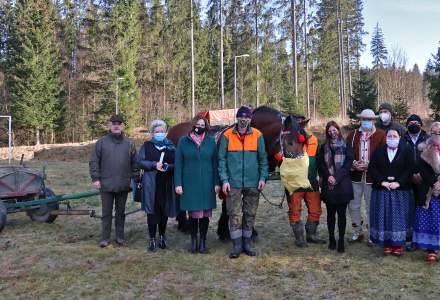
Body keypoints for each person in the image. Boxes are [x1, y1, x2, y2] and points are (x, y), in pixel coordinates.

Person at [218, 105, 268, 259]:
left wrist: (262, 177)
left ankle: (247, 243)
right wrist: (224, 180)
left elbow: (263, 160)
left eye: (246, 117)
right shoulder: (227, 135)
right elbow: (221, 160)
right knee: (234, 214)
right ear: (237, 118)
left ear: (250, 119)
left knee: (250, 213)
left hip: (253, 182)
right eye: (241, 117)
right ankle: (236, 245)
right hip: (233, 183)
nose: (243, 120)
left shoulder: (258, 135)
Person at [89, 114, 137, 248]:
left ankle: (120, 237)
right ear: (110, 125)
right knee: (106, 213)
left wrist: (134, 178)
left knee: (120, 213)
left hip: (123, 184)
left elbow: (135, 163)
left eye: (119, 123)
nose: (116, 125)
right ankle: (105, 238)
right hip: (106, 184)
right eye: (113, 123)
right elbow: (94, 161)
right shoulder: (101, 143)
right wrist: (95, 178)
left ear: (122, 126)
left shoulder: (129, 143)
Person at [174, 116, 220, 254]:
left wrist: (217, 183)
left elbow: (215, 164)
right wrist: (178, 184)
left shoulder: (211, 141)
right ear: (193, 125)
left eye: (202, 124)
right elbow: (178, 164)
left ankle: (203, 242)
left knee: (205, 214)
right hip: (190, 183)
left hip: (207, 183)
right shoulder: (183, 141)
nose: (199, 127)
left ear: (206, 126)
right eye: (197, 124)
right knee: (193, 214)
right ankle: (194, 241)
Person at [369, 128, 414, 256]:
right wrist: (382, 182)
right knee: (385, 217)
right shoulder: (379, 151)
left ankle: (398, 245)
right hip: (382, 190)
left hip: (400, 191)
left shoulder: (407, 150)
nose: (392, 138)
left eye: (395, 136)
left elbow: (409, 169)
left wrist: (398, 182)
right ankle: (387, 244)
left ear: (399, 137)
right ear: (386, 137)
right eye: (390, 136)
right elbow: (373, 168)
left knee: (399, 218)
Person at [346, 109, 386, 243]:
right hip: (355, 176)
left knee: (371, 205)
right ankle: (357, 231)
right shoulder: (352, 135)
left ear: (374, 120)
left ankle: (371, 234)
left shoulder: (381, 135)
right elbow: (347, 152)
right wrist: (353, 164)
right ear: (360, 120)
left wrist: (370, 164)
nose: (366, 122)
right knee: (353, 205)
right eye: (364, 119)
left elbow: (384, 156)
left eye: (369, 119)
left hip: (371, 177)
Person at [137, 119, 177, 252]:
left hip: (166, 184)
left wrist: (167, 166)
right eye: (156, 131)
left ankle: (162, 236)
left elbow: (177, 163)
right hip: (151, 185)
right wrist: (154, 165)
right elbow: (140, 162)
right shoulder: (147, 145)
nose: (159, 133)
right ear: (152, 133)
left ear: (165, 132)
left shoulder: (170, 146)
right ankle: (152, 239)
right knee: (152, 212)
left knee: (164, 212)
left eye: (162, 131)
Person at [287, 115, 326, 247]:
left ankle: (312, 235)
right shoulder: (287, 140)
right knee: (295, 210)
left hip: (311, 181)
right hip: (295, 182)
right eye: (296, 125)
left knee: (315, 209)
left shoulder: (314, 140)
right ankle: (299, 238)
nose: (299, 127)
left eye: (301, 124)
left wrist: (321, 176)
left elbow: (320, 160)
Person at [318, 121, 354, 253]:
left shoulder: (346, 145)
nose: (332, 133)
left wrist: (337, 178)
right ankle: (332, 238)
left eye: (334, 130)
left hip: (342, 184)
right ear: (327, 133)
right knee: (330, 215)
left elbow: (348, 163)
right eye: (329, 131)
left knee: (342, 215)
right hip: (329, 185)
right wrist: (329, 176)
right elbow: (321, 164)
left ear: (338, 130)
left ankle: (341, 240)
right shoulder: (323, 147)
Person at [412, 122, 440, 262]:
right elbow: (422, 169)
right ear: (430, 133)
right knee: (431, 220)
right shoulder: (424, 149)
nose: (436, 135)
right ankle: (431, 249)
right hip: (429, 190)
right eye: (434, 132)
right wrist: (435, 183)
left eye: (439, 133)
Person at [403, 114, 429, 250]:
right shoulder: (403, 139)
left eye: (416, 122)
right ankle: (409, 237)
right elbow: (400, 160)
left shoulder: (428, 139)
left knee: (422, 208)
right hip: (407, 179)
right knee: (408, 208)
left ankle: (422, 237)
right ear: (407, 125)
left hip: (424, 180)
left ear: (421, 125)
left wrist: (421, 175)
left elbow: (431, 161)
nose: (413, 124)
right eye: (411, 122)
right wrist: (410, 175)